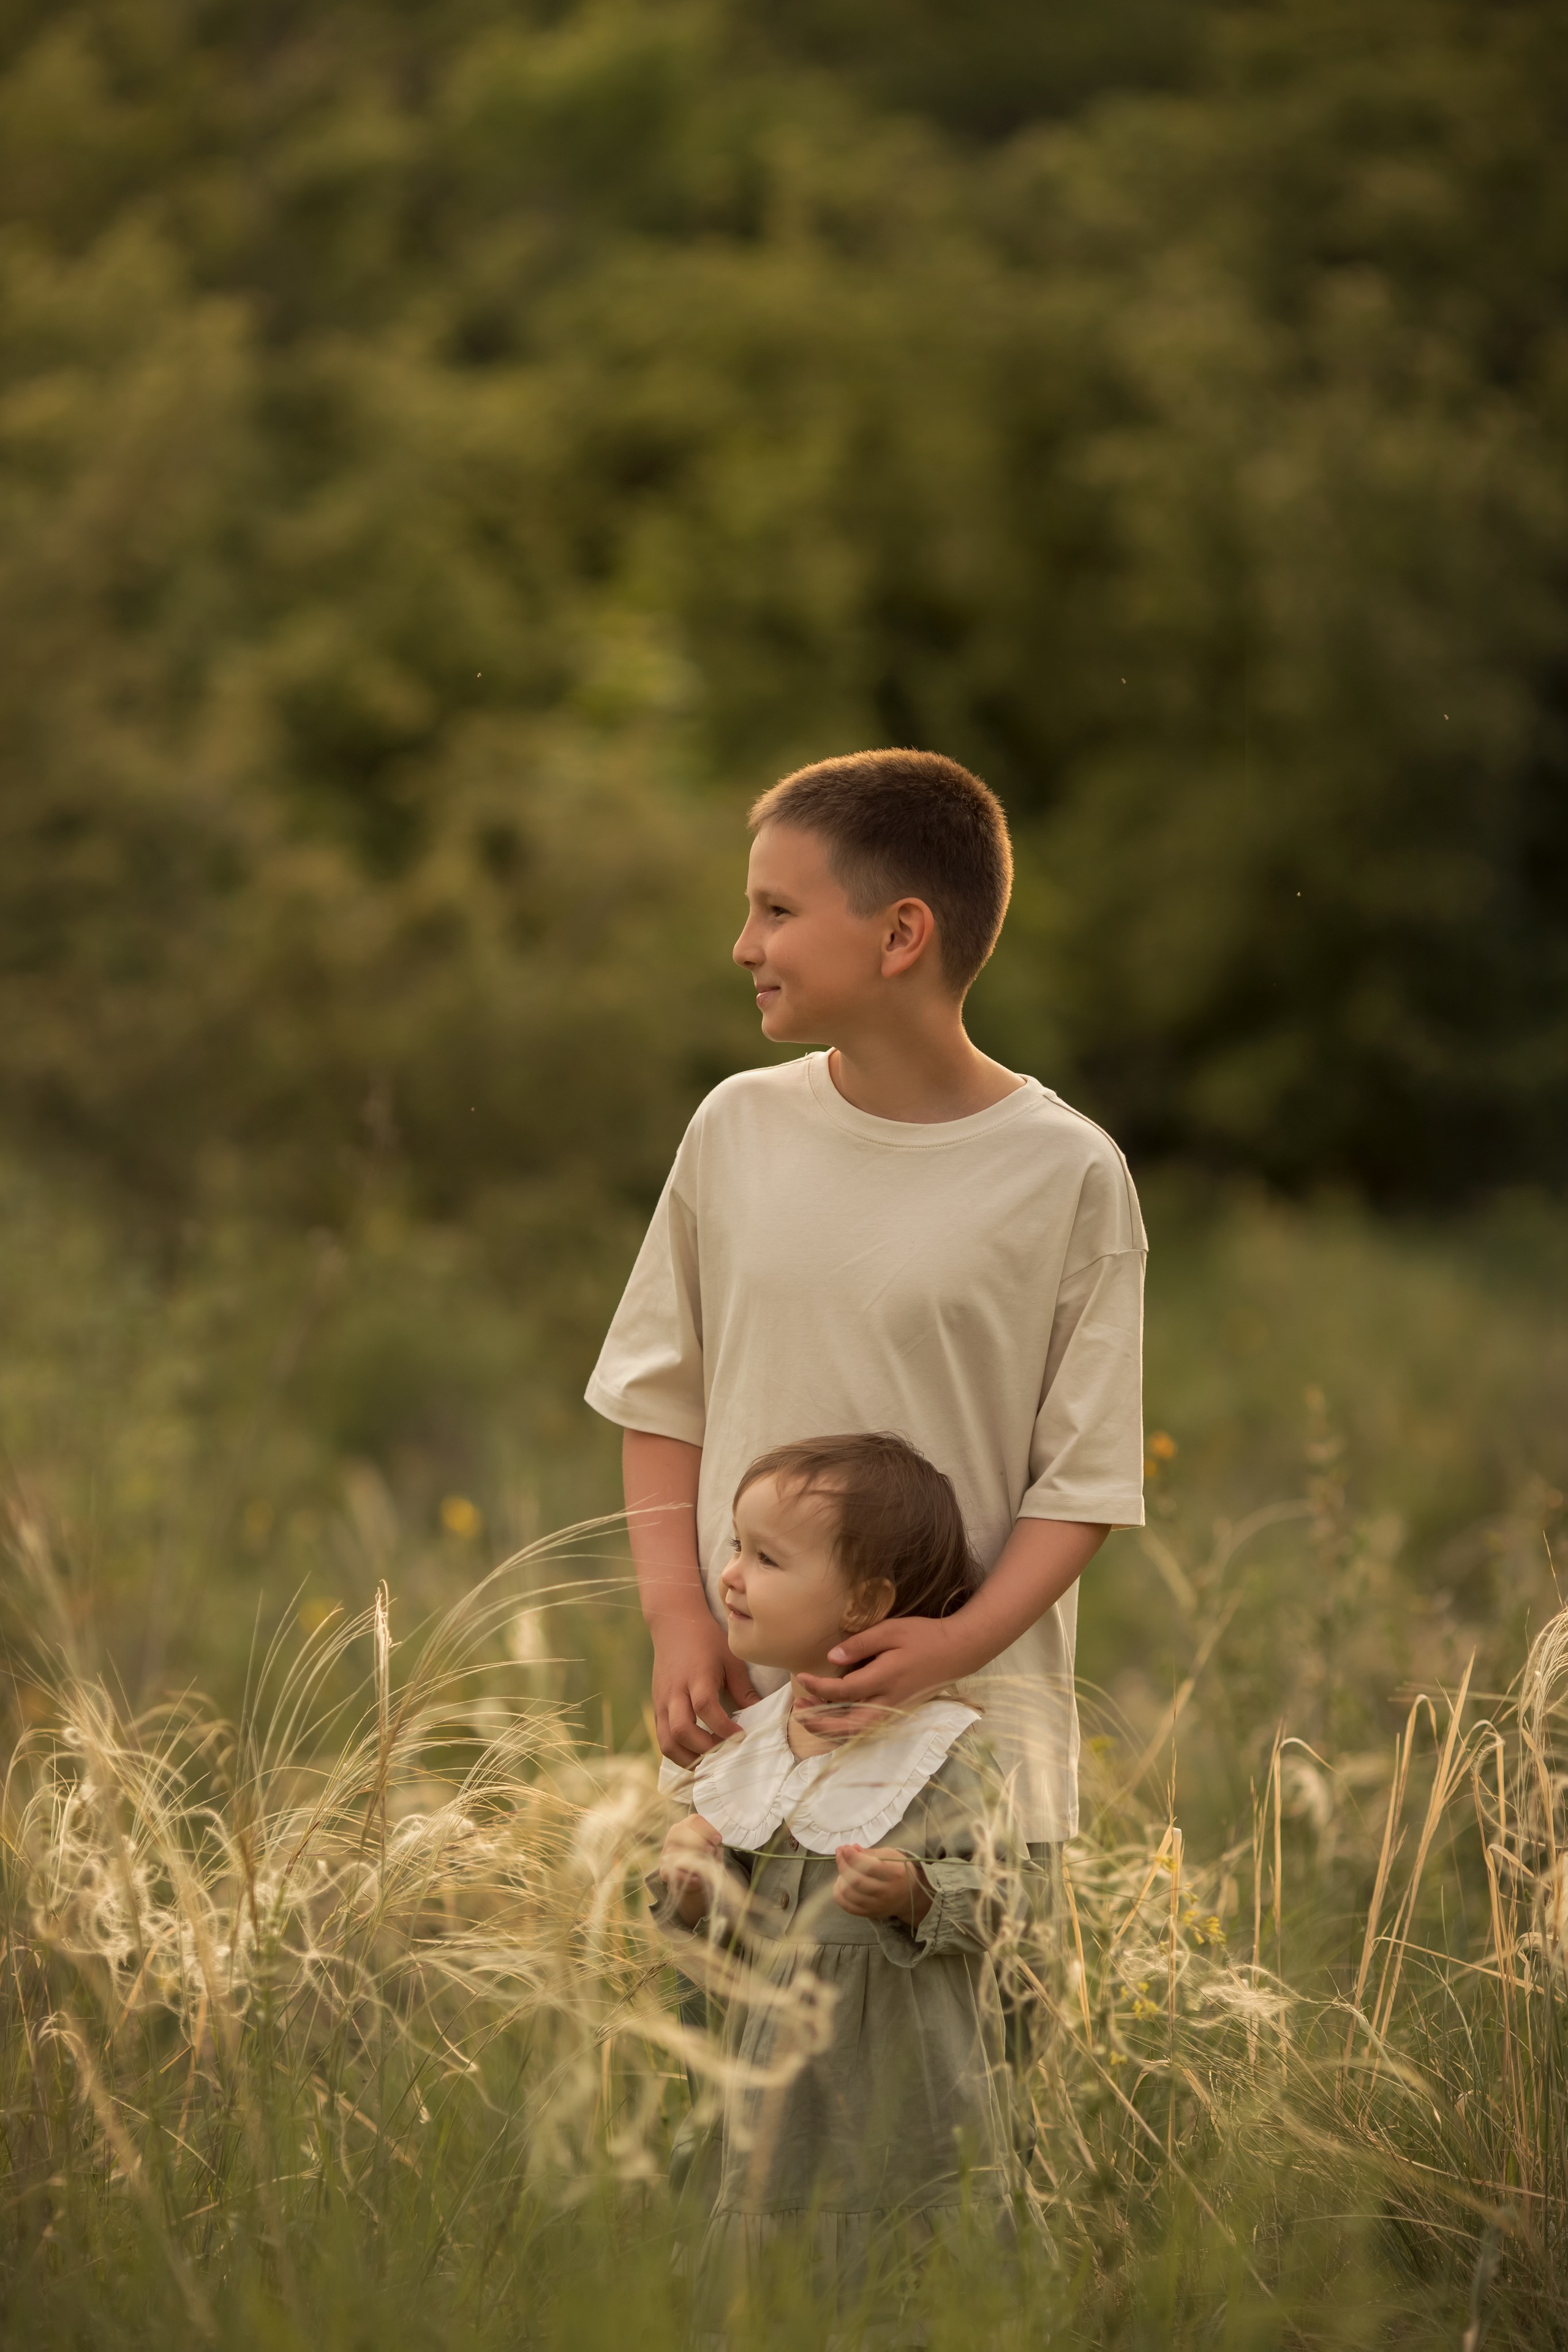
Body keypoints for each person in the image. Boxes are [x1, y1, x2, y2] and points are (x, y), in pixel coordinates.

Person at [586, 747, 1145, 1857]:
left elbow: (1084, 1479)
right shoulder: (733, 1129)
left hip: (961, 1762)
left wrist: (954, 1646)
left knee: (949, 2037)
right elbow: (660, 1399)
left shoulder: (1067, 1173)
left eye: (778, 910)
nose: (744, 945)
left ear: (900, 936)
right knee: (722, 2033)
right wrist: (679, 1621)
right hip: (743, 1746)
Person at [647, 1433, 1024, 2335]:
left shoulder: (940, 1747)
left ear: (865, 1602)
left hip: (895, 2093)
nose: (730, 1575)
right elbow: (708, 1932)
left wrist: (914, 1892)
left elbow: (1007, 1899)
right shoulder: (753, 1742)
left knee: (899, 2289)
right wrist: (693, 1879)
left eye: (766, 1558)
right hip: (772, 2106)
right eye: (735, 1546)